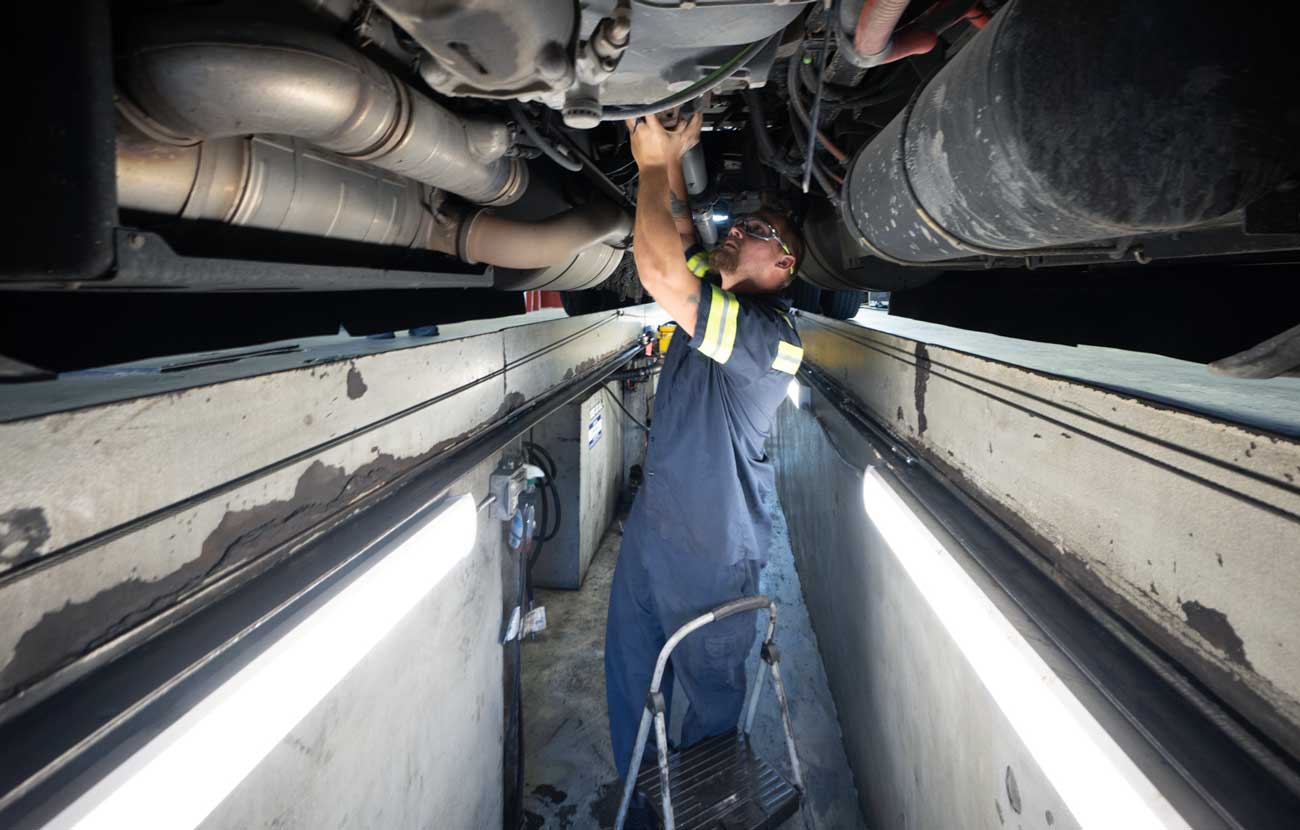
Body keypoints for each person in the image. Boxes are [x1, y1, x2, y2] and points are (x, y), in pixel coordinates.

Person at [605, 112, 805, 824]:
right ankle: (638, 810)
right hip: (656, 534)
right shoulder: (716, 306)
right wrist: (676, 166)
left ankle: (708, 811)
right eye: (739, 226)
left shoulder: (769, 341)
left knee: (712, 709)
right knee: (630, 677)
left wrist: (652, 162)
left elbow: (658, 268)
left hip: (715, 557)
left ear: (783, 269)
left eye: (758, 235)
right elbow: (683, 241)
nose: (738, 234)